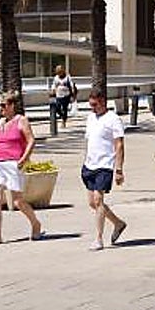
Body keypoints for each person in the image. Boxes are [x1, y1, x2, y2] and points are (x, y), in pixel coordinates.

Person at [0, 91, 44, 245]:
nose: (1, 109)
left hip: (14, 163)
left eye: (3, 106)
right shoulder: (1, 122)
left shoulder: (21, 120)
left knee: (18, 202)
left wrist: (24, 158)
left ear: (12, 105)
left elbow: (31, 140)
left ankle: (35, 223)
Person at [82, 89, 128, 250]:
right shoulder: (90, 118)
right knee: (92, 203)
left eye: (94, 105)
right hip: (89, 165)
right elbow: (89, 141)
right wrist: (85, 161)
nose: (92, 108)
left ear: (102, 101)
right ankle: (118, 223)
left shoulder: (113, 119)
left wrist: (119, 169)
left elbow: (119, 145)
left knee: (98, 201)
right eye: (90, 105)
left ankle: (98, 238)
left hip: (105, 165)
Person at [49, 64, 77, 129]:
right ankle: (62, 116)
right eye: (57, 72)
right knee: (57, 108)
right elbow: (54, 85)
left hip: (66, 95)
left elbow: (71, 85)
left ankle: (63, 121)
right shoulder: (56, 78)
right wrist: (52, 91)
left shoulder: (67, 77)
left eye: (60, 71)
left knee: (65, 109)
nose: (59, 73)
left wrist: (73, 93)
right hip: (58, 95)